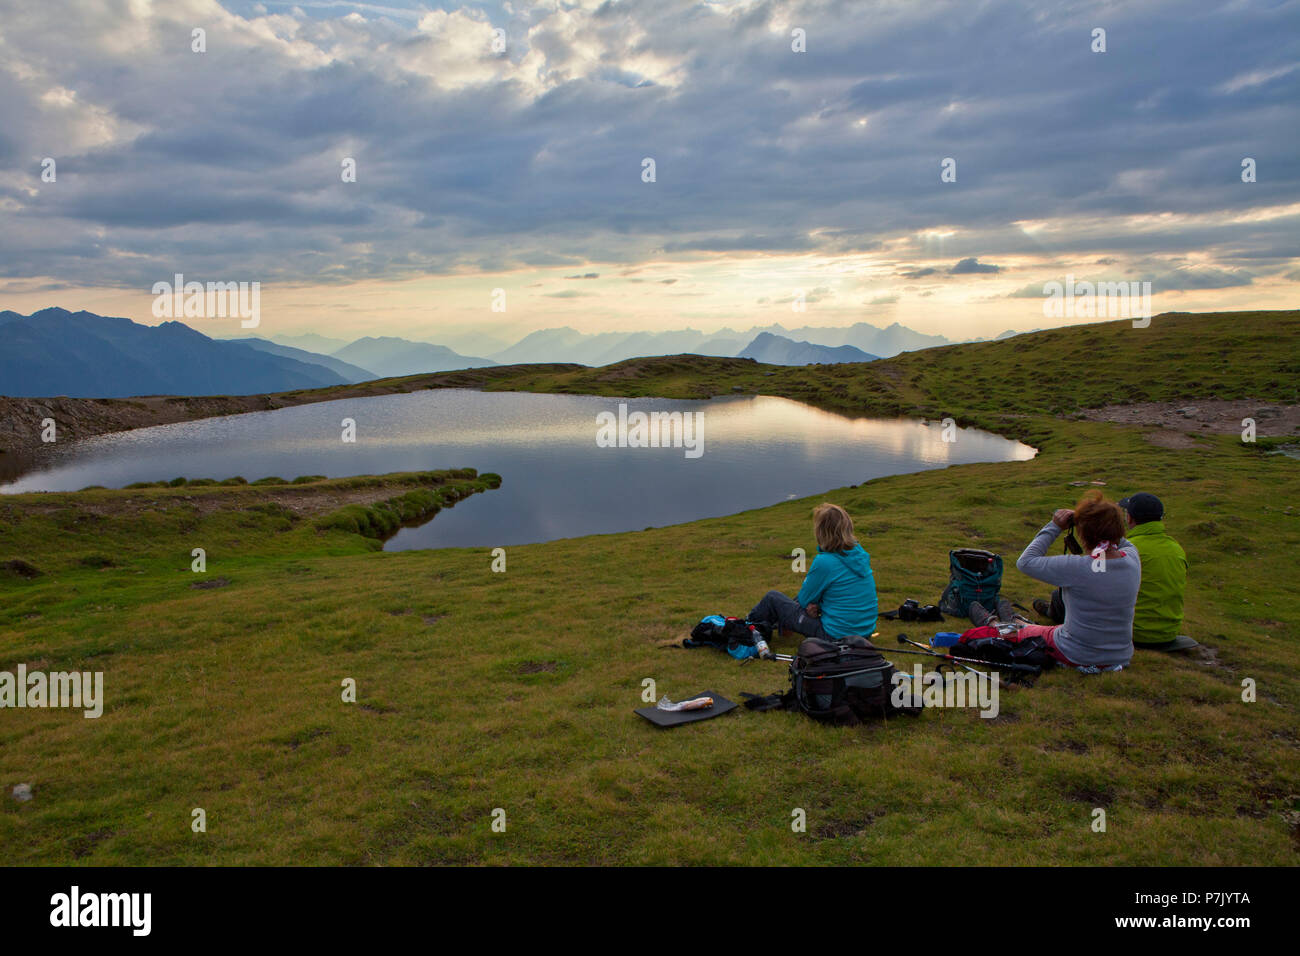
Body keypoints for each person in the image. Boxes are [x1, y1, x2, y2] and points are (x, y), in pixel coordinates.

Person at [1012, 489, 1140, 669]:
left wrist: (1055, 526)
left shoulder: (1079, 567)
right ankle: (1021, 623)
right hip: (1121, 655)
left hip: (1077, 653)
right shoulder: (1132, 558)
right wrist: (1101, 522)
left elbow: (1025, 562)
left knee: (1015, 631)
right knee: (1042, 629)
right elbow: (1119, 541)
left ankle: (1009, 624)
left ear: (1083, 534)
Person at [748, 502, 878, 641]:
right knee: (797, 601)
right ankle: (779, 625)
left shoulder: (824, 562)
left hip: (835, 636)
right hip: (865, 633)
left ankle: (743, 629)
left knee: (772, 598)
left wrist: (813, 606)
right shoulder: (859, 554)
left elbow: (805, 600)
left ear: (821, 532)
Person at [1117, 493, 1195, 652]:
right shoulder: (1176, 548)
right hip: (1168, 633)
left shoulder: (1128, 549)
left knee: (1064, 597)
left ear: (1130, 518)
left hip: (1133, 632)